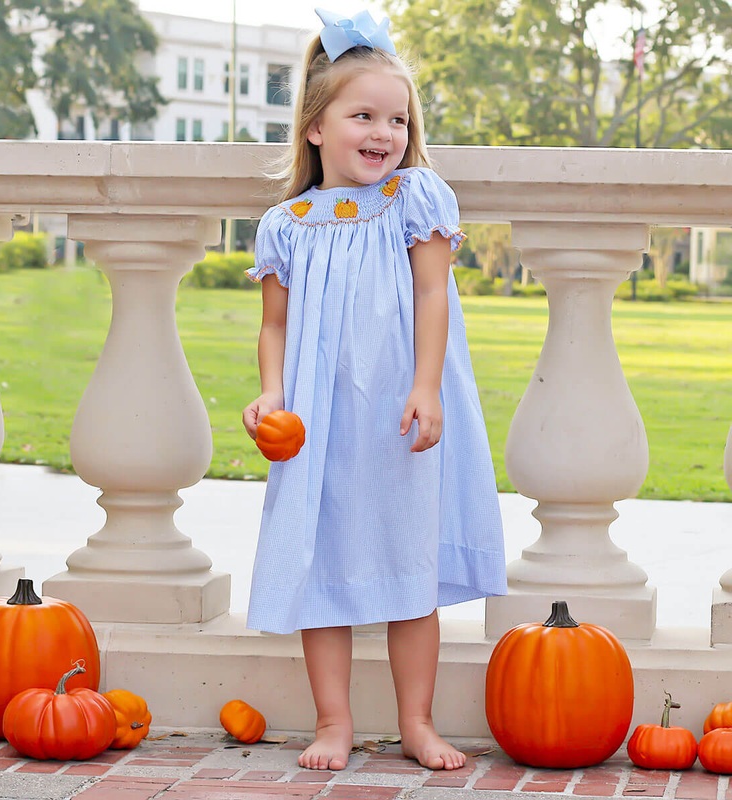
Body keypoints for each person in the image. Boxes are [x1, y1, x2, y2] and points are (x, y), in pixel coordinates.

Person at [242, 6, 506, 773]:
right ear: (315, 127)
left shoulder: (413, 198)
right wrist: (271, 394)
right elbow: (274, 327)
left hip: (398, 411)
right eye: (363, 116)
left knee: (408, 561)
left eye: (397, 119)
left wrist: (427, 387)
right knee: (321, 561)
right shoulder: (287, 224)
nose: (384, 133)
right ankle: (333, 723)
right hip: (319, 419)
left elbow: (431, 296)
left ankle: (416, 723)